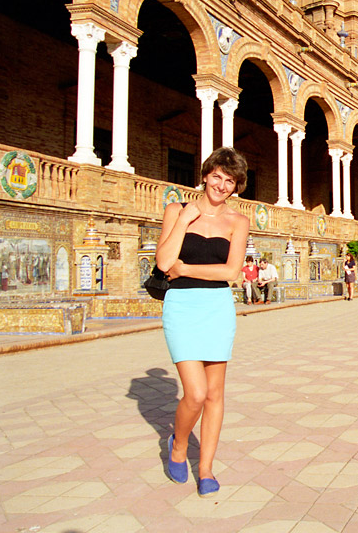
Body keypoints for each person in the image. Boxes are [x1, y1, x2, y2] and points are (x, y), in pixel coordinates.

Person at [155, 147, 249, 498]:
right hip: (181, 306)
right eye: (217, 176)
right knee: (194, 393)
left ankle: (206, 468)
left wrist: (188, 269)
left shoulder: (237, 221)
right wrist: (184, 220)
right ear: (206, 174)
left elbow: (231, 272)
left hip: (217, 307)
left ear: (236, 186)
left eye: (230, 181)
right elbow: (165, 261)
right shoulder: (177, 210)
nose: (221, 185)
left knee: (214, 394)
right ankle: (178, 445)